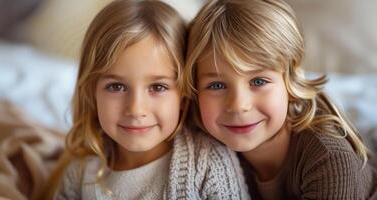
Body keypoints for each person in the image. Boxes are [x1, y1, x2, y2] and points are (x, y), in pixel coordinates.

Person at [184, 0, 377, 199]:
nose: (239, 105)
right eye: (217, 85)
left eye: (259, 81)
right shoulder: (201, 149)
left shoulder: (328, 157)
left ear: (290, 82)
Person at [45, 0, 249, 199]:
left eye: (158, 87)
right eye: (116, 87)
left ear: (184, 97)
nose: (135, 109)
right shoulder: (80, 173)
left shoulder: (208, 166)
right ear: (92, 92)